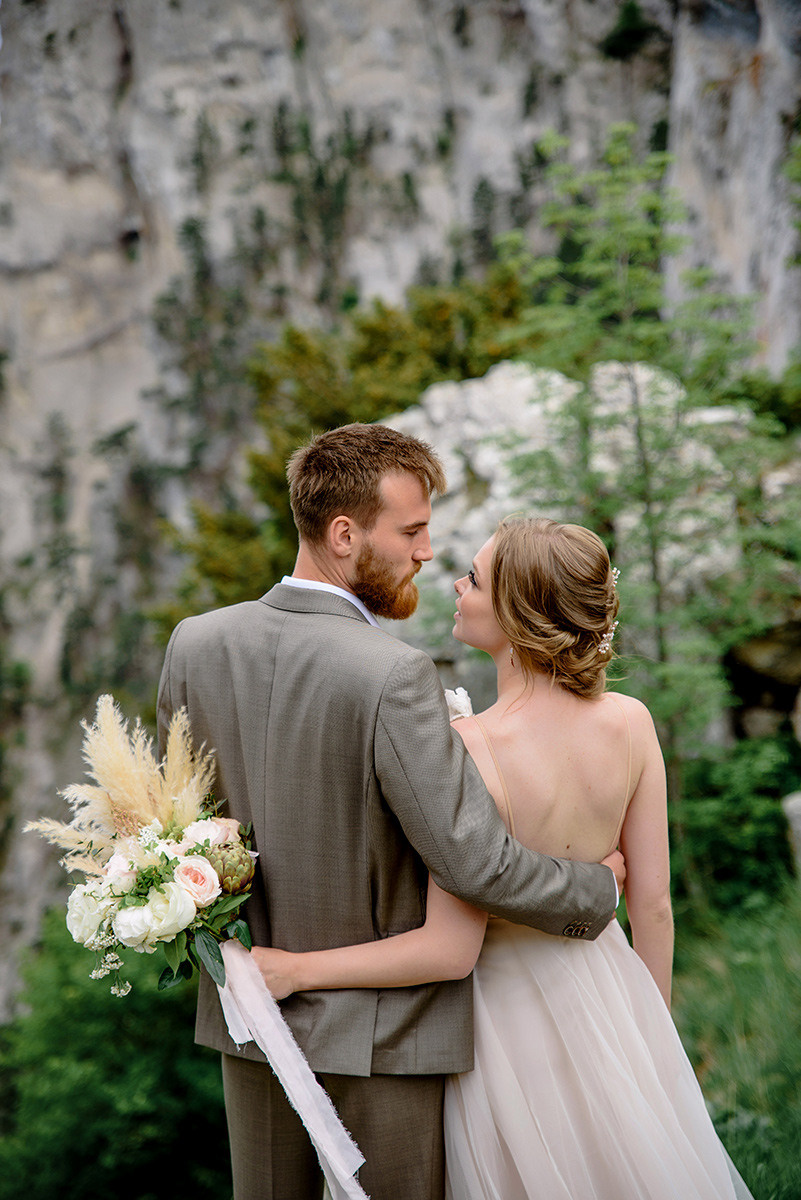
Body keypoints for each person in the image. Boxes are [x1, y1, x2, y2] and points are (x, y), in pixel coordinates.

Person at [157, 427, 623, 1200]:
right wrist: (594, 893)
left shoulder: (196, 643)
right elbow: (473, 861)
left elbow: (165, 832)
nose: (426, 552)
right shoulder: (392, 673)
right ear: (345, 534)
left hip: (249, 1028)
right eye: (410, 530)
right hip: (383, 1043)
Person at [253, 516, 755, 1200]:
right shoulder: (631, 722)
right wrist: (651, 1036)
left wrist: (295, 969)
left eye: (475, 578)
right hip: (612, 1003)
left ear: (518, 611)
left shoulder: (464, 748)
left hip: (504, 1030)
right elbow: (654, 907)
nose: (455, 586)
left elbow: (445, 950)